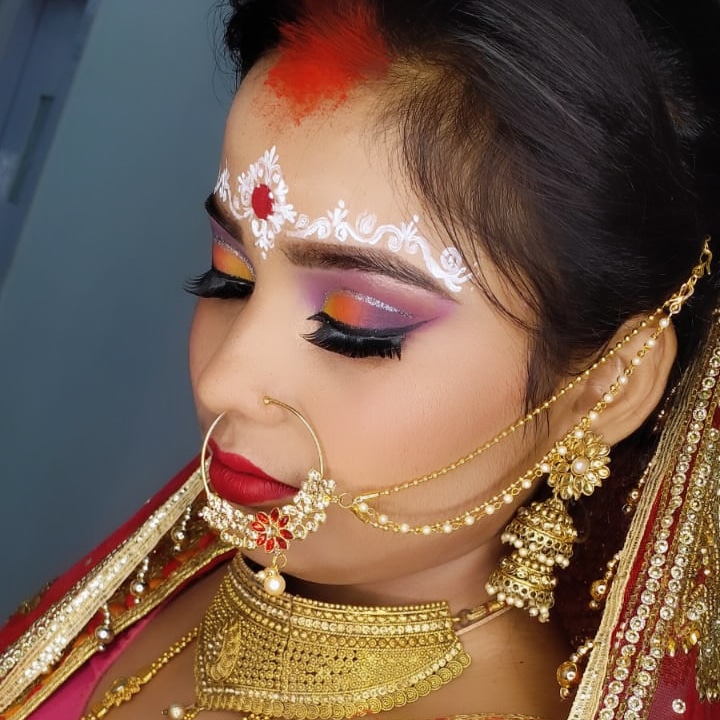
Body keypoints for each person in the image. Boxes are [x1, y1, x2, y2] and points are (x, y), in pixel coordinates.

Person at [0, 0, 718, 718]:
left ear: (605, 387)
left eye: (357, 327)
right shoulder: (182, 566)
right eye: (229, 277)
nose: (226, 382)